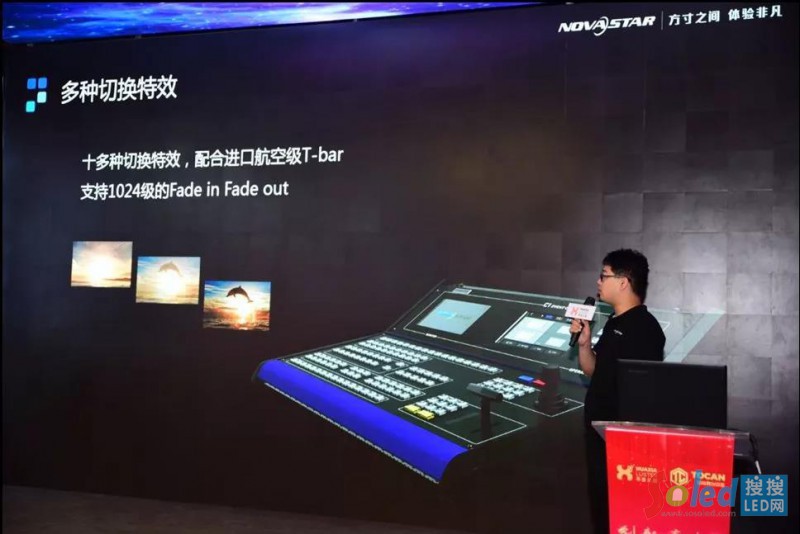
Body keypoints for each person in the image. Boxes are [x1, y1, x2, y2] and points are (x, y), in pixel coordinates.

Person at [569, 249, 665, 534]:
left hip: (623, 445)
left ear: (623, 282)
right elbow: (594, 370)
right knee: (601, 512)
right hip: (600, 437)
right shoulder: (614, 322)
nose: (598, 282)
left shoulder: (645, 329)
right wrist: (584, 344)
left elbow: (641, 394)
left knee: (621, 517)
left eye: (604, 275)